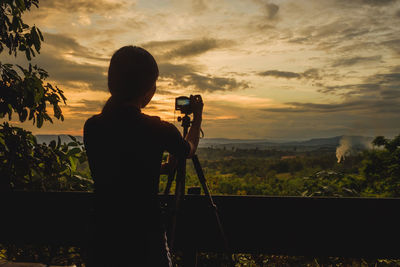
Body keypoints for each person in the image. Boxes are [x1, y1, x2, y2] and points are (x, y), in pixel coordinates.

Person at [83, 46, 203, 266]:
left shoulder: (93, 126)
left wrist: (164, 168)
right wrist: (197, 120)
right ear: (148, 88)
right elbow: (189, 149)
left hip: (102, 234)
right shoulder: (157, 128)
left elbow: (119, 171)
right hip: (145, 236)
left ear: (112, 83)